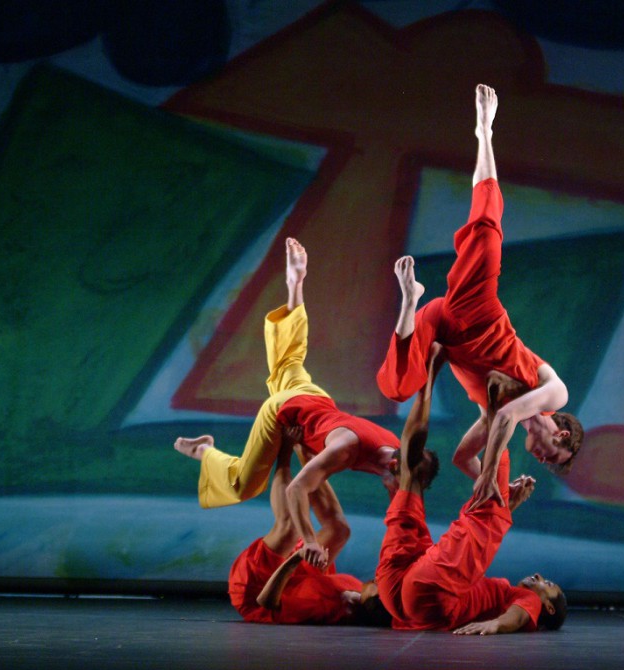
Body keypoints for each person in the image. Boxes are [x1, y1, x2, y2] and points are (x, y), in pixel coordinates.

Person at [376, 84, 583, 510]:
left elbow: (460, 456)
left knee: (399, 389)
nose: (540, 459)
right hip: (478, 314)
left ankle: (410, 301)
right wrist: (490, 477)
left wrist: (496, 491)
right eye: (551, 455)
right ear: (560, 434)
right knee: (488, 233)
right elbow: (506, 417)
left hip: (445, 335)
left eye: (544, 463)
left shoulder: (495, 418)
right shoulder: (554, 395)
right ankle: (485, 132)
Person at [174, 237, 400, 569]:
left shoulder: (394, 446)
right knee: (243, 484)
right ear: (396, 469)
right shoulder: (348, 451)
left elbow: (399, 509)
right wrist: (309, 540)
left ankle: (295, 286)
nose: (395, 491)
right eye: (399, 485)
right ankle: (203, 451)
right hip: (282, 412)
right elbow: (297, 488)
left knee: (288, 359)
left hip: (314, 397)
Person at [375, 341, 567, 634]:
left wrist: (496, 626)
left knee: (489, 502)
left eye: (548, 585)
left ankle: (485, 398)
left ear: (547, 607)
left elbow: (515, 616)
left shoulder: (525, 601)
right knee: (412, 473)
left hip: (428, 593)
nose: (541, 576)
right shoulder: (501, 593)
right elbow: (461, 458)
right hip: (404, 597)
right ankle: (463, 393)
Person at [228, 430, 390, 626]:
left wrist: (296, 558)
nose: (376, 579)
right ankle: (307, 455)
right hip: (298, 581)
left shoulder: (320, 606)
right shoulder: (359, 592)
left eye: (378, 586)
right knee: (339, 530)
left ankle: (284, 450)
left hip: (257, 588)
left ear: (372, 601)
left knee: (290, 529)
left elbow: (266, 602)